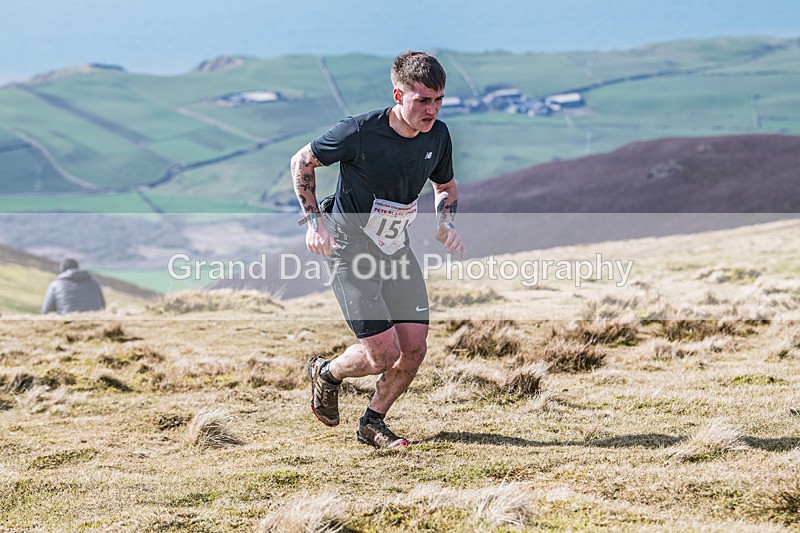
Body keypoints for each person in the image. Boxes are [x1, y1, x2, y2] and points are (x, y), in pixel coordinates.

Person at [290, 50, 465, 449]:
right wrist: (315, 223)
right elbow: (302, 161)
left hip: (395, 249)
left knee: (415, 347)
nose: (432, 109)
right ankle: (327, 373)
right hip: (350, 250)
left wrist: (446, 222)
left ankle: (373, 422)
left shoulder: (437, 136)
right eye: (423, 100)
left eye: (438, 100)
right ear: (398, 94)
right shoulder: (359, 132)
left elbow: (445, 187)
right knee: (383, 354)